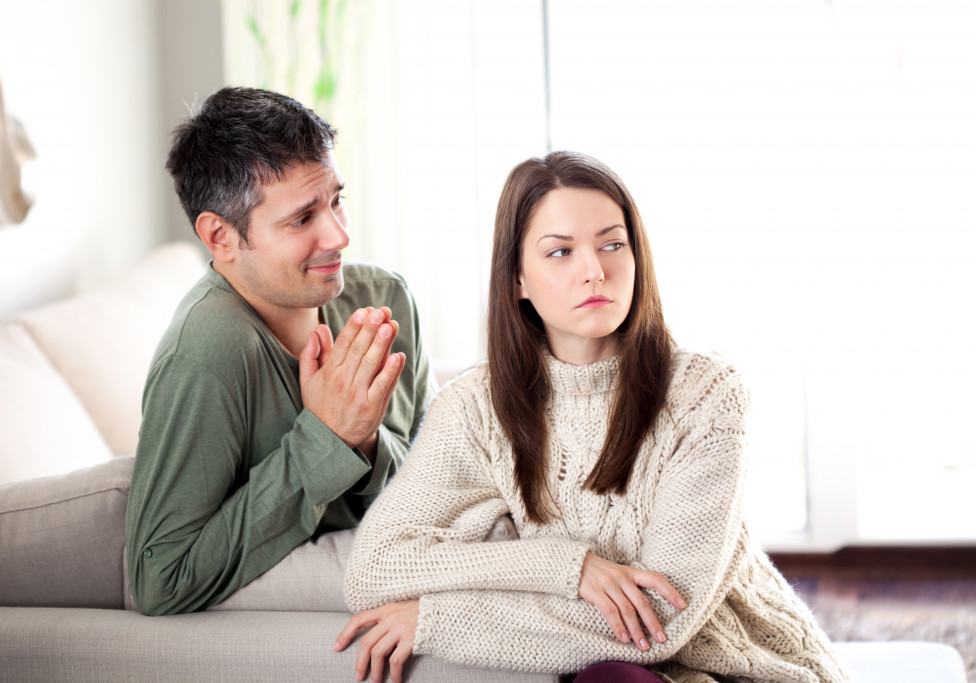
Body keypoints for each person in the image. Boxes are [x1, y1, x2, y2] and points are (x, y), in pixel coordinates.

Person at [336, 151, 848, 683]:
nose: (594, 271)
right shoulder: (474, 408)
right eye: (560, 252)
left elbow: (664, 616)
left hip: (750, 672)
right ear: (518, 279)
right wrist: (568, 567)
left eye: (612, 244)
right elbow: (375, 568)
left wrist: (437, 618)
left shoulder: (705, 394)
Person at [125, 87, 436, 616]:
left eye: (336, 200)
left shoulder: (385, 298)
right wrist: (328, 437)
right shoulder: (207, 354)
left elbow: (436, 480)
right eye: (302, 218)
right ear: (220, 236)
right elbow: (161, 580)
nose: (338, 236)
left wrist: (363, 444)